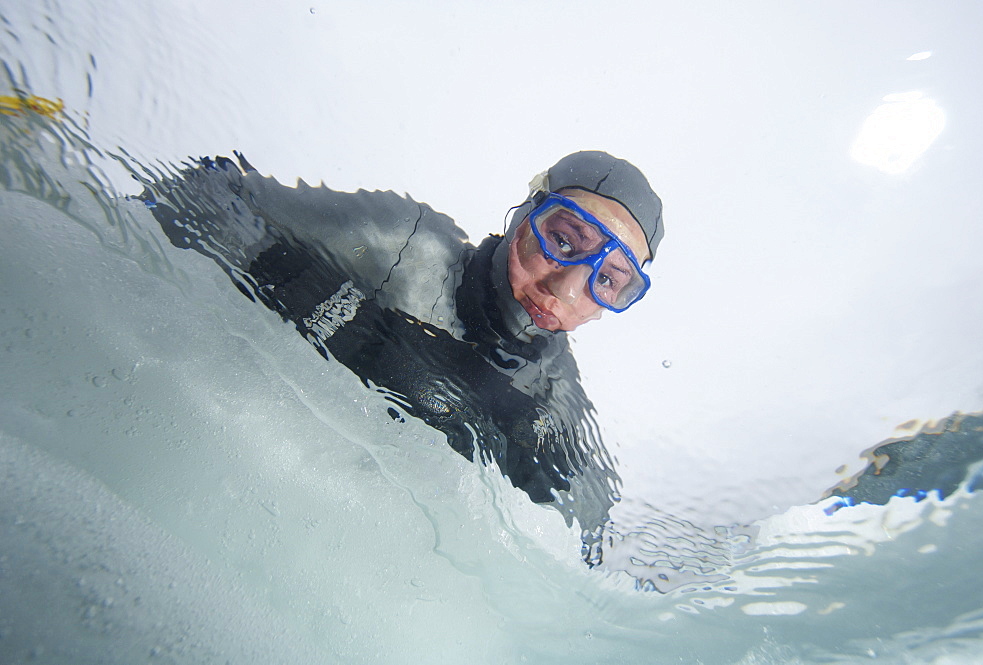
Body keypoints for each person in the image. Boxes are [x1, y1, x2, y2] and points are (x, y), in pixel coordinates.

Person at [143, 151, 663, 557]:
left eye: (610, 280)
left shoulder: (552, 396)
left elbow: (595, 540)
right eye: (565, 240)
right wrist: (300, 287)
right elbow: (209, 193)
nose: (568, 290)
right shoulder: (406, 243)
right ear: (526, 213)